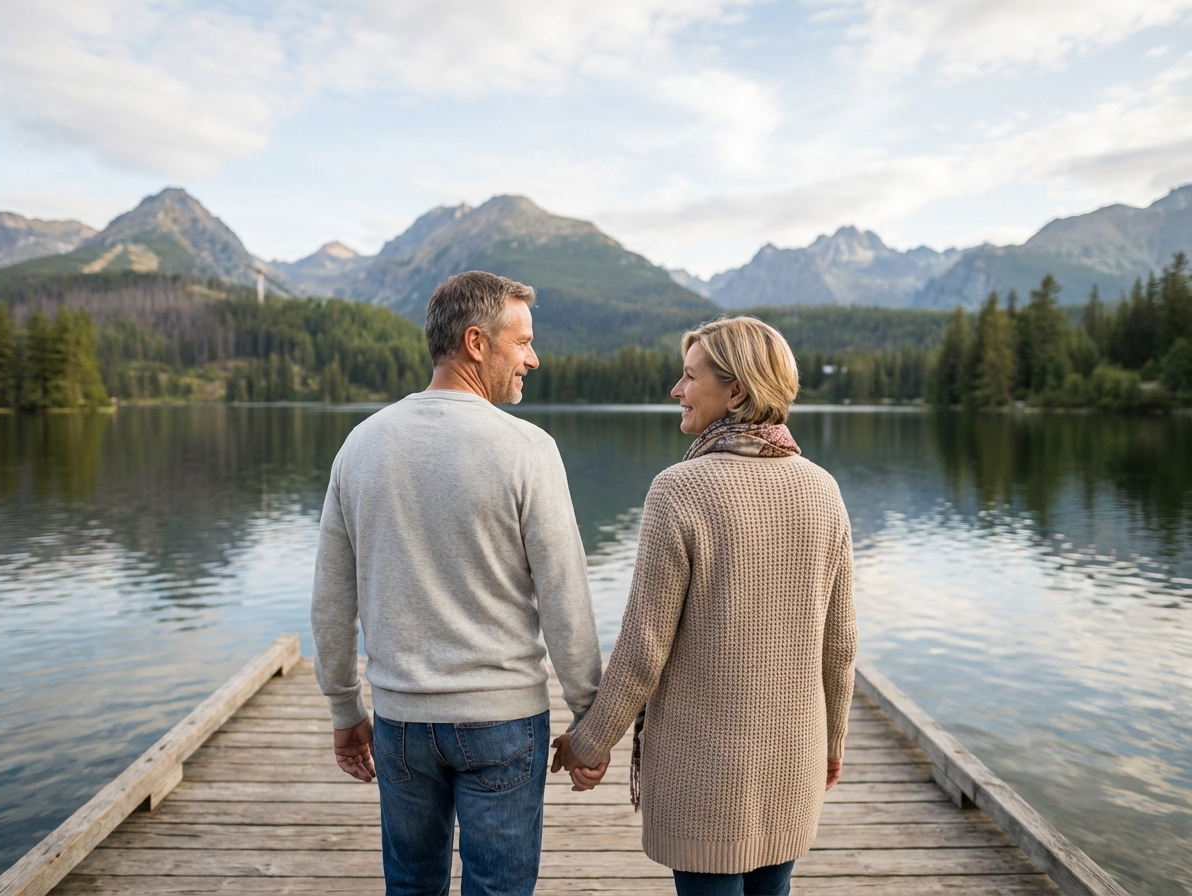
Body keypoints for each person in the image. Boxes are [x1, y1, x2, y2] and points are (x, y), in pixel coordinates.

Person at [311, 270, 606, 896]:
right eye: (521, 342)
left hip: (400, 723)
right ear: (477, 342)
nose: (534, 357)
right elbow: (565, 600)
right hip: (502, 723)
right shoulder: (527, 449)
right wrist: (589, 717)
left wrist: (345, 710)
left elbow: (332, 600)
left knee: (411, 886)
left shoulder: (360, 445)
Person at [552, 316, 857, 896]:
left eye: (690, 377)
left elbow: (644, 650)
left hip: (705, 776)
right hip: (793, 762)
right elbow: (839, 648)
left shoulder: (681, 489)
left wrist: (588, 743)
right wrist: (834, 745)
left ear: (736, 391)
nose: (677, 390)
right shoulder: (823, 488)